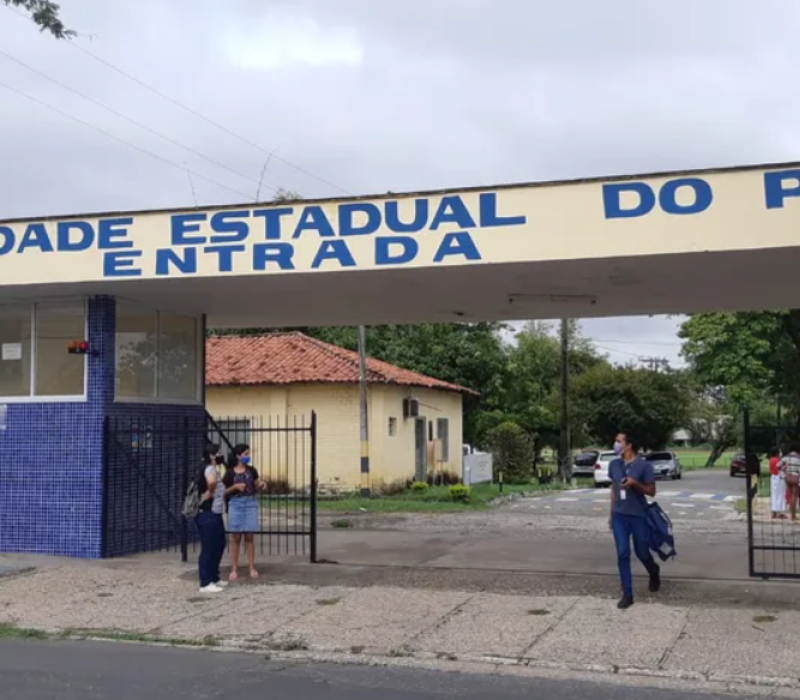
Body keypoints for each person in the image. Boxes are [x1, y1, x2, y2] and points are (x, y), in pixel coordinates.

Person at [608, 431, 661, 610]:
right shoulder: (614, 465)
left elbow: (651, 491)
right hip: (619, 515)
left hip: (638, 515)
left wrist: (635, 483)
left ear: (629, 445)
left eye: (619, 441)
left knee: (642, 551)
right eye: (615, 440)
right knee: (623, 553)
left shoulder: (643, 466)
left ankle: (653, 571)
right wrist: (611, 514)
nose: (616, 444)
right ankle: (627, 594)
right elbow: (614, 490)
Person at [224, 444, 265, 581]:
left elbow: (256, 486)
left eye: (249, 453)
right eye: (246, 454)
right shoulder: (229, 473)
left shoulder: (252, 470)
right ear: (238, 456)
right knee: (236, 537)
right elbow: (222, 492)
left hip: (250, 504)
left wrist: (261, 485)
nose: (248, 456)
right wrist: (234, 487)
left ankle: (251, 567)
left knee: (249, 537)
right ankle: (234, 569)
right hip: (235, 504)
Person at [196, 444, 228, 594]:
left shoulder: (213, 469)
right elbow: (211, 483)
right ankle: (205, 582)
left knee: (219, 543)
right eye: (218, 452)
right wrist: (211, 491)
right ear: (212, 455)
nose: (221, 455)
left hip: (215, 513)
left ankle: (214, 577)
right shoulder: (210, 469)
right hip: (208, 513)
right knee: (209, 547)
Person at [778, 444, 800, 522]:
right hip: (796, 478)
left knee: (790, 496)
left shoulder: (786, 457)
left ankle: (792, 515)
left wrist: (784, 470)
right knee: (794, 496)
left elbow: (778, 466)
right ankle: (793, 516)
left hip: (787, 478)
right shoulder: (798, 457)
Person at [769, 448, 786, 520]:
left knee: (774, 495)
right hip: (779, 478)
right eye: (779, 452)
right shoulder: (777, 460)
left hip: (773, 477)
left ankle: (774, 512)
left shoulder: (771, 459)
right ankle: (779, 512)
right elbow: (780, 469)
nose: (780, 453)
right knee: (780, 495)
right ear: (777, 453)